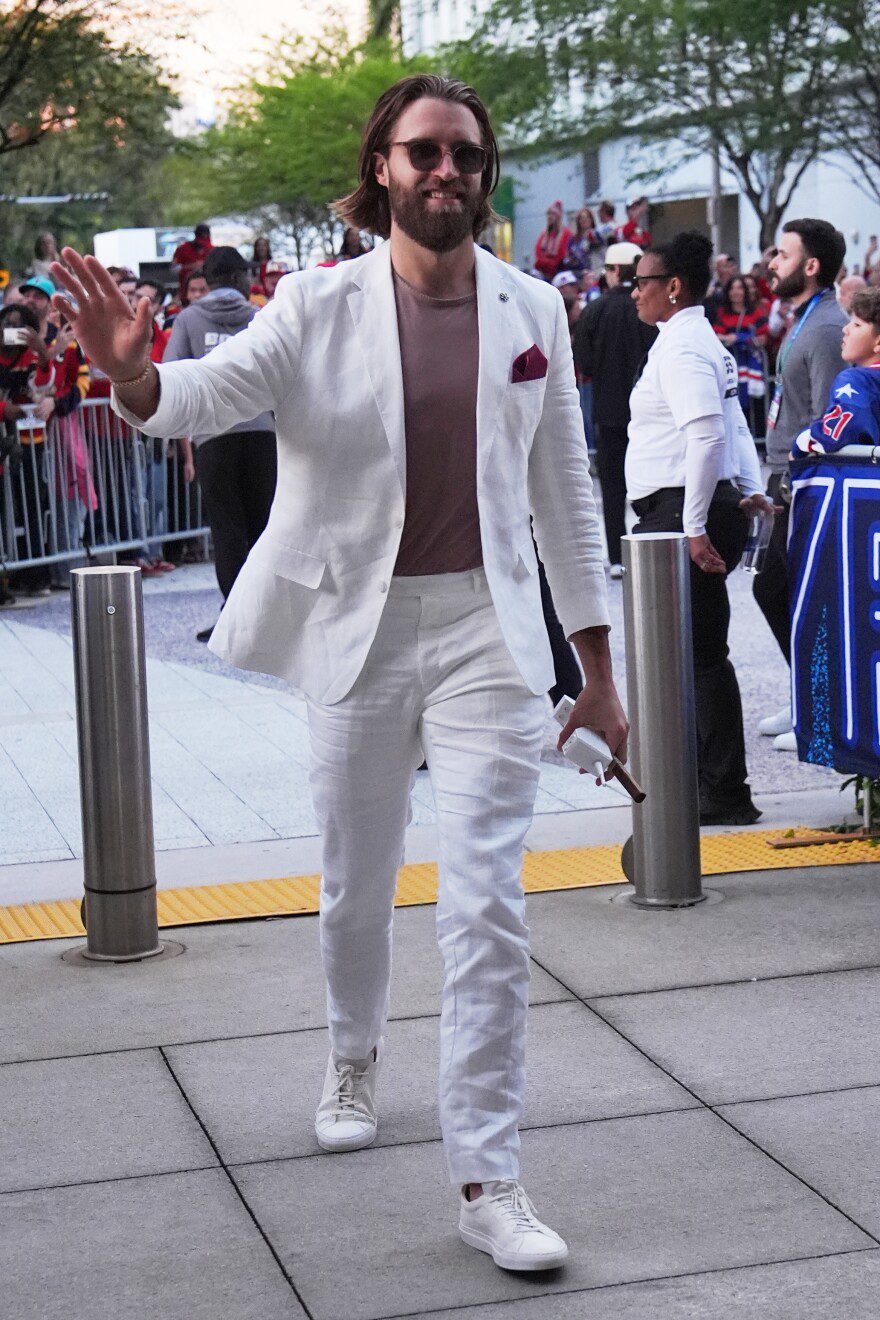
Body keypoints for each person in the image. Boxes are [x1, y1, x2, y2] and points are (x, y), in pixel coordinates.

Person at [51, 72, 627, 1272]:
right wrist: (133, 373)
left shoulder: (534, 310)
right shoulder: (316, 305)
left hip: (487, 632)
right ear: (382, 168)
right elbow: (205, 398)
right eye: (422, 152)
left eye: (464, 154)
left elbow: (564, 493)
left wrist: (599, 667)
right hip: (356, 629)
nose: (445, 172)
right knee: (355, 882)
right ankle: (351, 1054)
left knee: (484, 901)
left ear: (483, 170)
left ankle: (488, 1175)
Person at [628, 231, 771, 825]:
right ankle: (708, 781)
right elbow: (735, 420)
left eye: (642, 282)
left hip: (684, 510)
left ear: (674, 286)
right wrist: (751, 485)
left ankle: (723, 790)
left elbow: (709, 433)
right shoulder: (692, 342)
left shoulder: (684, 348)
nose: (633, 292)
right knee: (695, 653)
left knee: (698, 655)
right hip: (697, 505)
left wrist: (692, 525)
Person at [756, 218, 846, 749]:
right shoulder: (804, 321)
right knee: (773, 587)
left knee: (783, 587)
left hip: (804, 480)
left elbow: (827, 418)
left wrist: (800, 483)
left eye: (783, 256)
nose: (772, 263)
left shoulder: (828, 325)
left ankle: (821, 701)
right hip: (785, 476)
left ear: (811, 266)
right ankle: (808, 695)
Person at [159, 245, 277, 640]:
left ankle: (235, 617)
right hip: (263, 434)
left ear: (207, 281)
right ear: (239, 278)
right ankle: (268, 615)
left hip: (215, 438)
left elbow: (174, 373)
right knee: (266, 527)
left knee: (227, 529)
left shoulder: (189, 319)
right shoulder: (260, 318)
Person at [574, 240, 658, 577]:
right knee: (650, 484)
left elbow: (584, 362)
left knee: (612, 488)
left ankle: (618, 557)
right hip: (649, 414)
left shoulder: (593, 311)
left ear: (612, 270)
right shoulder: (650, 311)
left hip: (608, 414)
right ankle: (650, 546)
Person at [793, 286, 880, 455]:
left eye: (856, 324)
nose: (845, 329)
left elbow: (839, 431)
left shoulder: (856, 380)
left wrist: (804, 443)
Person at [712, 274, 769, 436]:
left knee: (757, 406)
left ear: (745, 291)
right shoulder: (722, 313)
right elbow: (716, 335)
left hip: (753, 368)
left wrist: (739, 338)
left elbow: (763, 337)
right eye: (732, 288)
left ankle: (759, 440)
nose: (736, 292)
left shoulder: (756, 313)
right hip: (732, 368)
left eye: (739, 288)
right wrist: (728, 339)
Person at [172, 223, 213, 301]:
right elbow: (174, 269)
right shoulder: (183, 249)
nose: (202, 246)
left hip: (208, 294)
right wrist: (191, 266)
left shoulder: (212, 249)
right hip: (186, 293)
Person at [533, 200, 572, 281]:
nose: (550, 217)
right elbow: (538, 251)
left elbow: (562, 255)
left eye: (553, 214)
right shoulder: (544, 234)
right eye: (548, 214)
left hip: (558, 273)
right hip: (543, 273)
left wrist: (546, 263)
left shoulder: (566, 234)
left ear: (558, 217)